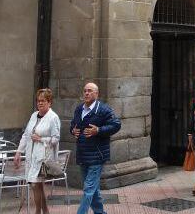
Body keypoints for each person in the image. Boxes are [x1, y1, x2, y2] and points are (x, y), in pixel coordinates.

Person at [70, 83, 121, 214]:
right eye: (85, 91)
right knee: (93, 189)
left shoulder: (103, 109)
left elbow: (116, 124)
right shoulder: (79, 109)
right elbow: (73, 125)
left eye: (90, 91)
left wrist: (98, 130)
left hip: (97, 155)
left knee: (88, 189)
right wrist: (73, 130)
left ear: (96, 94)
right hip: (82, 154)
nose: (86, 93)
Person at [14, 88, 61, 214]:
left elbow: (56, 138)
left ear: (49, 102)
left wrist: (41, 139)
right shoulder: (34, 115)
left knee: (35, 184)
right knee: (38, 185)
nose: (40, 103)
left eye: (43, 101)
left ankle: (38, 212)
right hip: (31, 156)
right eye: (38, 101)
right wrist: (19, 152)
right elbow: (26, 135)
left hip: (43, 158)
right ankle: (45, 211)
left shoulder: (53, 117)